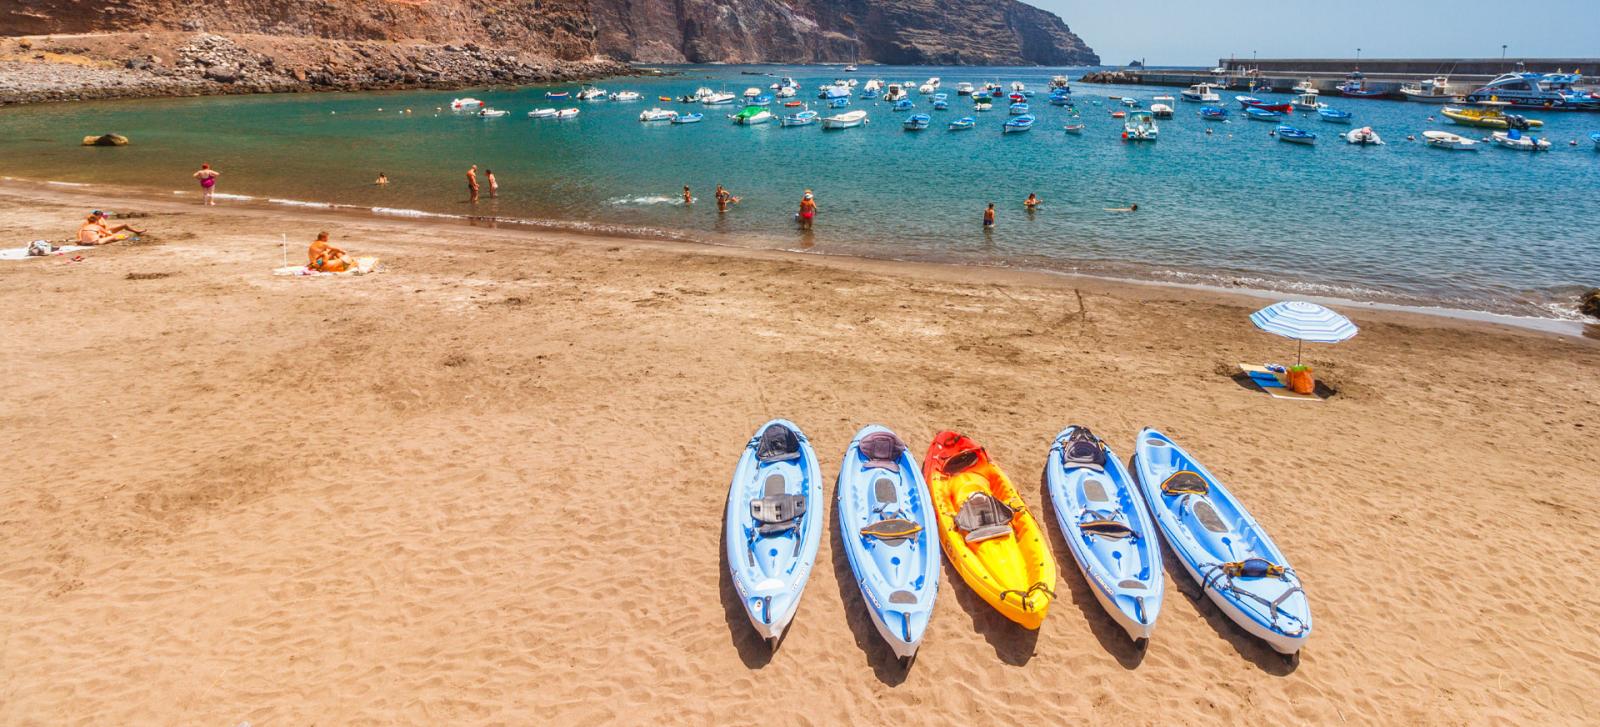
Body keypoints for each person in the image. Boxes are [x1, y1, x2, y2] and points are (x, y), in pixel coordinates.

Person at [77, 210, 144, 245]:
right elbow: (81, 231)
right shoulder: (89, 221)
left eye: (101, 215)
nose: (100, 217)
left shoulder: (101, 219)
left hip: (104, 232)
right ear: (95, 216)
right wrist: (80, 238)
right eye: (99, 216)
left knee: (124, 225)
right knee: (116, 237)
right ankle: (129, 238)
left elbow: (106, 227)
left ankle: (137, 231)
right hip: (100, 234)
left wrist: (107, 232)